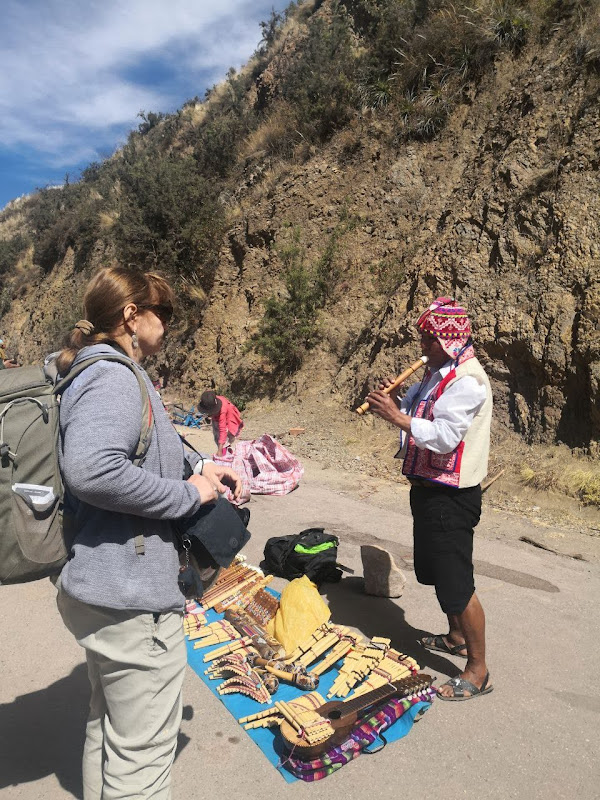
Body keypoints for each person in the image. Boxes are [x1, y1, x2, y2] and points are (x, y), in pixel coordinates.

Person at [54, 266, 242, 799]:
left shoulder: (105, 371)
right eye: (165, 315)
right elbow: (93, 468)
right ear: (132, 315)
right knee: (142, 764)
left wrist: (200, 467)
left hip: (102, 586)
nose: (170, 326)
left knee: (107, 729)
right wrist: (190, 496)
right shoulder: (112, 375)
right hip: (130, 596)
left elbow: (148, 446)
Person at [366, 297, 493, 701]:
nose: (422, 344)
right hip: (427, 490)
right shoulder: (438, 374)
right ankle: (456, 637)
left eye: (428, 337)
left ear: (447, 338)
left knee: (457, 583)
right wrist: (399, 400)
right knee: (434, 571)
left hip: (451, 497)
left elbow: (443, 435)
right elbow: (419, 416)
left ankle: (477, 670)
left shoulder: (467, 380)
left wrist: (397, 416)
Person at [197, 390, 244, 457]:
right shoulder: (211, 400)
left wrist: (219, 450)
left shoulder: (223, 411)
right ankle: (224, 450)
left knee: (225, 439)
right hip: (217, 418)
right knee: (217, 437)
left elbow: (223, 430)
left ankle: (224, 454)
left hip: (229, 419)